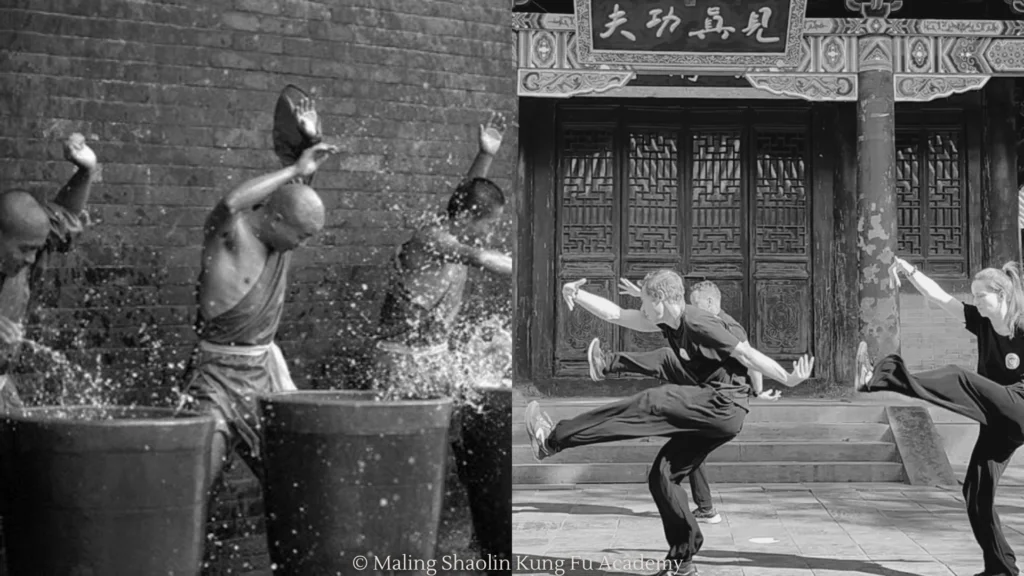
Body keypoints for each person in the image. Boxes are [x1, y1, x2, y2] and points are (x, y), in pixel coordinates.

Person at [525, 269, 814, 576]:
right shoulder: (667, 320)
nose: (643, 311)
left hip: (723, 404)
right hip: (715, 411)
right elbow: (618, 315)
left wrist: (787, 379)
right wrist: (577, 294)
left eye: (646, 303)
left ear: (661, 299)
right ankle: (682, 562)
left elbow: (746, 354)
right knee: (663, 476)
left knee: (652, 402)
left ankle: (552, 439)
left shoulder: (698, 322)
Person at [180, 92, 339, 486]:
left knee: (295, 480)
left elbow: (303, 184)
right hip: (215, 379)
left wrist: (307, 143)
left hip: (262, 375)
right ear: (278, 218)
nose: (301, 245)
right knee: (200, 479)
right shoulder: (230, 237)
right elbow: (230, 203)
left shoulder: (280, 234)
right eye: (301, 236)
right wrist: (290, 173)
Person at [855, 257, 1024, 576]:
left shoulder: (1022, 325)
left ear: (1001, 294)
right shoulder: (982, 322)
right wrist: (909, 271)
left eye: (981, 296)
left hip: (1021, 407)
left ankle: (879, 377)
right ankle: (1001, 568)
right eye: (973, 296)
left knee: (960, 377)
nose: (976, 302)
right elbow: (939, 297)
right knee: (975, 491)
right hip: (998, 418)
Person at [587, 279, 779, 525]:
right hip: (699, 383)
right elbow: (670, 314)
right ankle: (706, 508)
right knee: (692, 443)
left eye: (697, 304)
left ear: (711, 302)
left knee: (666, 359)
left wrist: (759, 391)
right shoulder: (693, 320)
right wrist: (649, 300)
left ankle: (606, 363)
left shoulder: (728, 327)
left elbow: (750, 359)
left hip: (715, 393)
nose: (691, 309)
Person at [373, 113, 513, 395]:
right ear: (469, 217)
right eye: (491, 224)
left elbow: (464, 199)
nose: (492, 234)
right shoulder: (432, 239)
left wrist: (485, 155)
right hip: (401, 359)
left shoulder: (454, 222)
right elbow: (479, 257)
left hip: (434, 354)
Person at [0, 133, 98, 412]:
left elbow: (66, 215)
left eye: (36, 249)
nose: (31, 259)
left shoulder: (32, 234)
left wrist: (86, 169)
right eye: (24, 250)